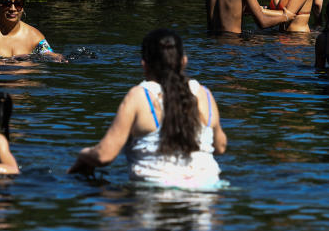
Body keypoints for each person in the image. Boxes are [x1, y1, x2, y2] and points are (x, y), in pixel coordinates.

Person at [69, 28, 227, 190]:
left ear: (144, 64)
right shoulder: (204, 94)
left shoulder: (139, 96)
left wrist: (83, 155)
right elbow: (220, 147)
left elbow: (104, 156)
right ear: (184, 61)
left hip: (153, 194)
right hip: (208, 190)